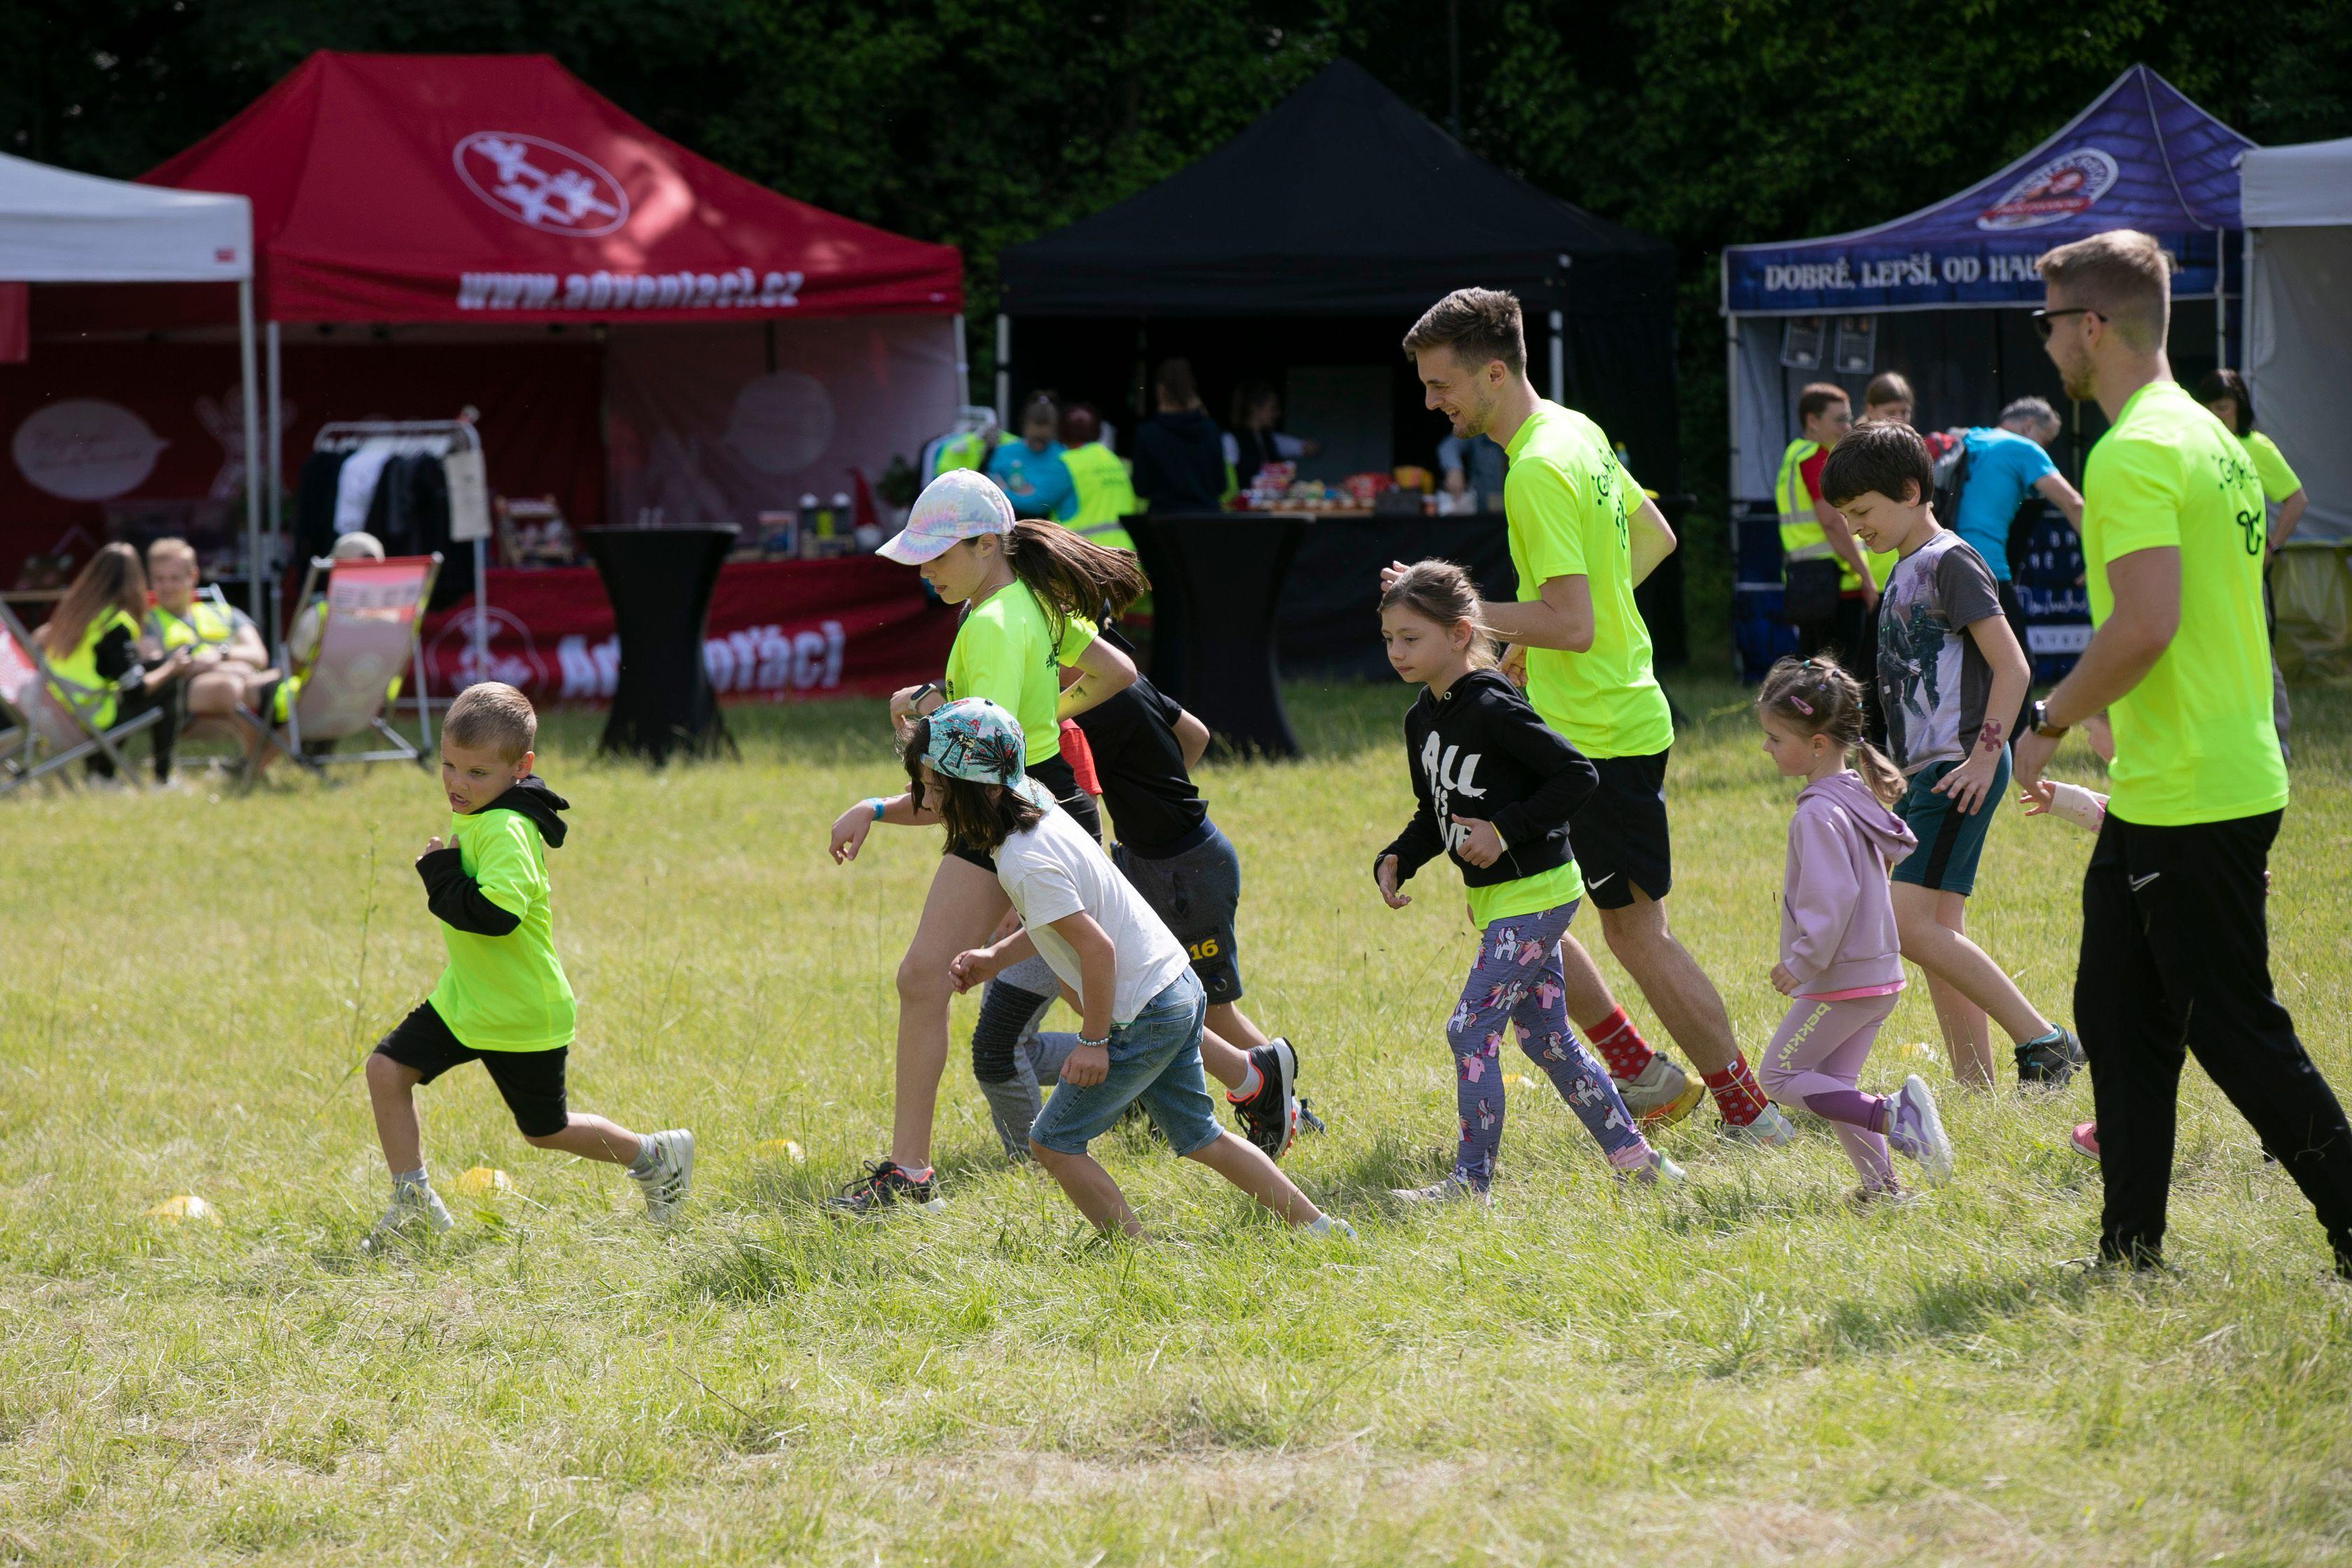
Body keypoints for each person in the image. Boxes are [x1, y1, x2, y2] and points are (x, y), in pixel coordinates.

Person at [2013, 227, 2352, 1279]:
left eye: (2048, 323)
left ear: (2092, 325)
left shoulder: (2136, 450)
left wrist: (2048, 720)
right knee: (2118, 1014)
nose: (2044, 344)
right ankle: (2130, 1250)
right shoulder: (2211, 437)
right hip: (2175, 781)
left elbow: (2145, 624)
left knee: (2233, 1028)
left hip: (2200, 788)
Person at [1394, 287, 1780, 1144]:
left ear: (1494, 373)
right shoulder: (1574, 429)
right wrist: (1536, 641)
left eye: (1441, 383)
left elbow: (1572, 621)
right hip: (1570, 720)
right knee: (1508, 899)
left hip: (1599, 735)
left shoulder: (1536, 467)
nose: (1430, 401)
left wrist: (1458, 617)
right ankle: (1643, 1072)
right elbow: (1653, 539)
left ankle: (1751, 1112)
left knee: (1637, 932)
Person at [826, 470, 1142, 1213]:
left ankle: (911, 1175)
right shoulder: (1033, 599)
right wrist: (1045, 714)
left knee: (930, 977)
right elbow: (1117, 671)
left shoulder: (990, 623)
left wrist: (889, 784)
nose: (925, 571)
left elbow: (975, 765)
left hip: (1009, 809)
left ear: (988, 545)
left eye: (938, 556)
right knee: (1107, 993)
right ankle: (1252, 1077)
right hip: (1045, 795)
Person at [922, 699, 1354, 1241]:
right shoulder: (1036, 804)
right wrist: (994, 958)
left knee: (1052, 1143)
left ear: (984, 791)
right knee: (1201, 1137)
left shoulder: (1023, 860)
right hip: (1175, 988)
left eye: (938, 789)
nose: (929, 802)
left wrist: (1093, 1042)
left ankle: (1134, 1254)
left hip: (1143, 1014)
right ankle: (1322, 1229)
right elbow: (1061, 922)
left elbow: (1096, 950)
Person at [1372, 561, 1681, 1199]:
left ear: (1460, 634)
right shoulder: (1420, 719)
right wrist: (1401, 854)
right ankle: (1639, 1162)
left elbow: (1576, 775)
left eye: (1411, 638)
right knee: (1547, 1038)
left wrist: (1504, 831)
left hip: (1538, 893)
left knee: (1469, 1030)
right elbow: (1435, 811)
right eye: (1390, 639)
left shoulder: (1492, 704)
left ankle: (1470, 1184)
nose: (1397, 652)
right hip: (1497, 898)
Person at [362, 682, 692, 1249]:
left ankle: (655, 1156)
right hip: (467, 1000)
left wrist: (439, 874)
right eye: (448, 766)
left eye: (476, 772)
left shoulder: (507, 828)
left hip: (521, 1011)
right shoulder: (486, 810)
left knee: (545, 1131)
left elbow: (496, 916)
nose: (457, 784)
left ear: (521, 768)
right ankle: (413, 1203)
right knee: (386, 1071)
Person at [969, 629, 1309, 1164]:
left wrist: (1154, 808)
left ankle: (1282, 1098)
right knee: (1146, 1002)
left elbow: (1075, 805)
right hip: (1164, 855)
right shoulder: (1127, 686)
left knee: (1203, 1006)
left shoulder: (1080, 711)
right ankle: (1198, 1087)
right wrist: (1161, 791)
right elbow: (1195, 734)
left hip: (1178, 868)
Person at [1819, 421, 2085, 1090]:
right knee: (1939, 929)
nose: (1856, 528)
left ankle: (2045, 1042)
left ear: (1911, 491)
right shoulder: (1904, 569)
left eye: (1863, 511)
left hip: (1960, 767)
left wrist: (1982, 758)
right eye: (1846, 517)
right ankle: (1975, 1081)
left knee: (1908, 924)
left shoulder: (1950, 561)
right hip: (1930, 772)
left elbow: (2013, 667)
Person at [1753, 656, 1952, 1199]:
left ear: (1818, 745)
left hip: (1841, 978)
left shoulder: (1816, 815)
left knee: (1779, 1077)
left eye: (1775, 738)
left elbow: (1832, 898)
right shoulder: (1854, 795)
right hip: (1876, 974)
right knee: (1833, 1084)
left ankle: (1896, 1116)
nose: (1766, 747)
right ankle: (1883, 1190)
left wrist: (1801, 961)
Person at [1941, 396, 2085, 695]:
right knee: (2018, 668)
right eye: (2046, 440)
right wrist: (2098, 558)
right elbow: (2073, 503)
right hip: (1985, 567)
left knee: (1965, 670)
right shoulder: (2024, 448)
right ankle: (2019, 729)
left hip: (1942, 562)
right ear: (2030, 426)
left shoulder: (1970, 438)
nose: (2045, 450)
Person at [2197, 368, 2303, 757]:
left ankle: (2278, 740)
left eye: (2223, 407)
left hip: (2245, 574)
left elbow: (2296, 499)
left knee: (2258, 656)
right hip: (2204, 575)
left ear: (2240, 407)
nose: (2216, 414)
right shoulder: (2196, 449)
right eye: (2209, 407)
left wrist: (2272, 548)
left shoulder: (2256, 447)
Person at [34, 542, 188, 782]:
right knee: (167, 682)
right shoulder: (115, 624)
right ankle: (157, 778)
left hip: (56, 715)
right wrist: (172, 668)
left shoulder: (72, 614)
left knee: (154, 668)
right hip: (88, 722)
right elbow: (135, 690)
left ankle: (102, 772)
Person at [144, 537, 276, 769]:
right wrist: (225, 666)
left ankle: (268, 758)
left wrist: (221, 655)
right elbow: (157, 666)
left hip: (242, 681)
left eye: (175, 578)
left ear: (193, 577)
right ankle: (256, 764)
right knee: (231, 686)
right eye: (159, 579)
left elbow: (259, 656)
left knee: (280, 680)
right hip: (182, 694)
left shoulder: (225, 612)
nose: (167, 587)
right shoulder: (147, 622)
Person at [1774, 382, 1880, 670]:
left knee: (1812, 671)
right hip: (1836, 585)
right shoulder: (1816, 458)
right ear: (1813, 421)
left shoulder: (1793, 454)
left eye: (1849, 418)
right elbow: (1833, 522)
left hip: (1806, 580)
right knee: (1840, 676)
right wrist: (1865, 577)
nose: (1847, 427)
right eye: (1840, 419)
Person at [1131, 359, 1229, 515]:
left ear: (1160, 390)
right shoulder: (1210, 429)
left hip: (1163, 520)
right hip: (1206, 518)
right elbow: (1221, 485)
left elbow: (1141, 488)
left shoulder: (1148, 432)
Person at [1056, 405, 1140, 555]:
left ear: (1061, 432)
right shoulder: (1115, 460)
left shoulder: (1065, 462)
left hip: (1086, 555)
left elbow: (1037, 501)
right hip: (1126, 554)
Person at [986, 393, 1078, 522]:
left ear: (1055, 431)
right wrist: (1024, 493)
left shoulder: (1063, 457)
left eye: (1044, 440)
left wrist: (1006, 490)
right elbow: (989, 489)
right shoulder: (1004, 452)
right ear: (1024, 426)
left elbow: (1040, 503)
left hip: (1048, 527)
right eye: (1034, 439)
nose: (1038, 445)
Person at [1224, 382, 1318, 489]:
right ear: (1255, 408)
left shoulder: (1268, 438)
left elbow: (1301, 447)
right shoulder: (1231, 439)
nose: (1278, 414)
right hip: (1243, 499)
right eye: (1273, 408)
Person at [1436, 430, 1507, 506]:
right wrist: (1454, 469)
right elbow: (1448, 447)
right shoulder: (1478, 433)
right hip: (1481, 505)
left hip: (1512, 501)